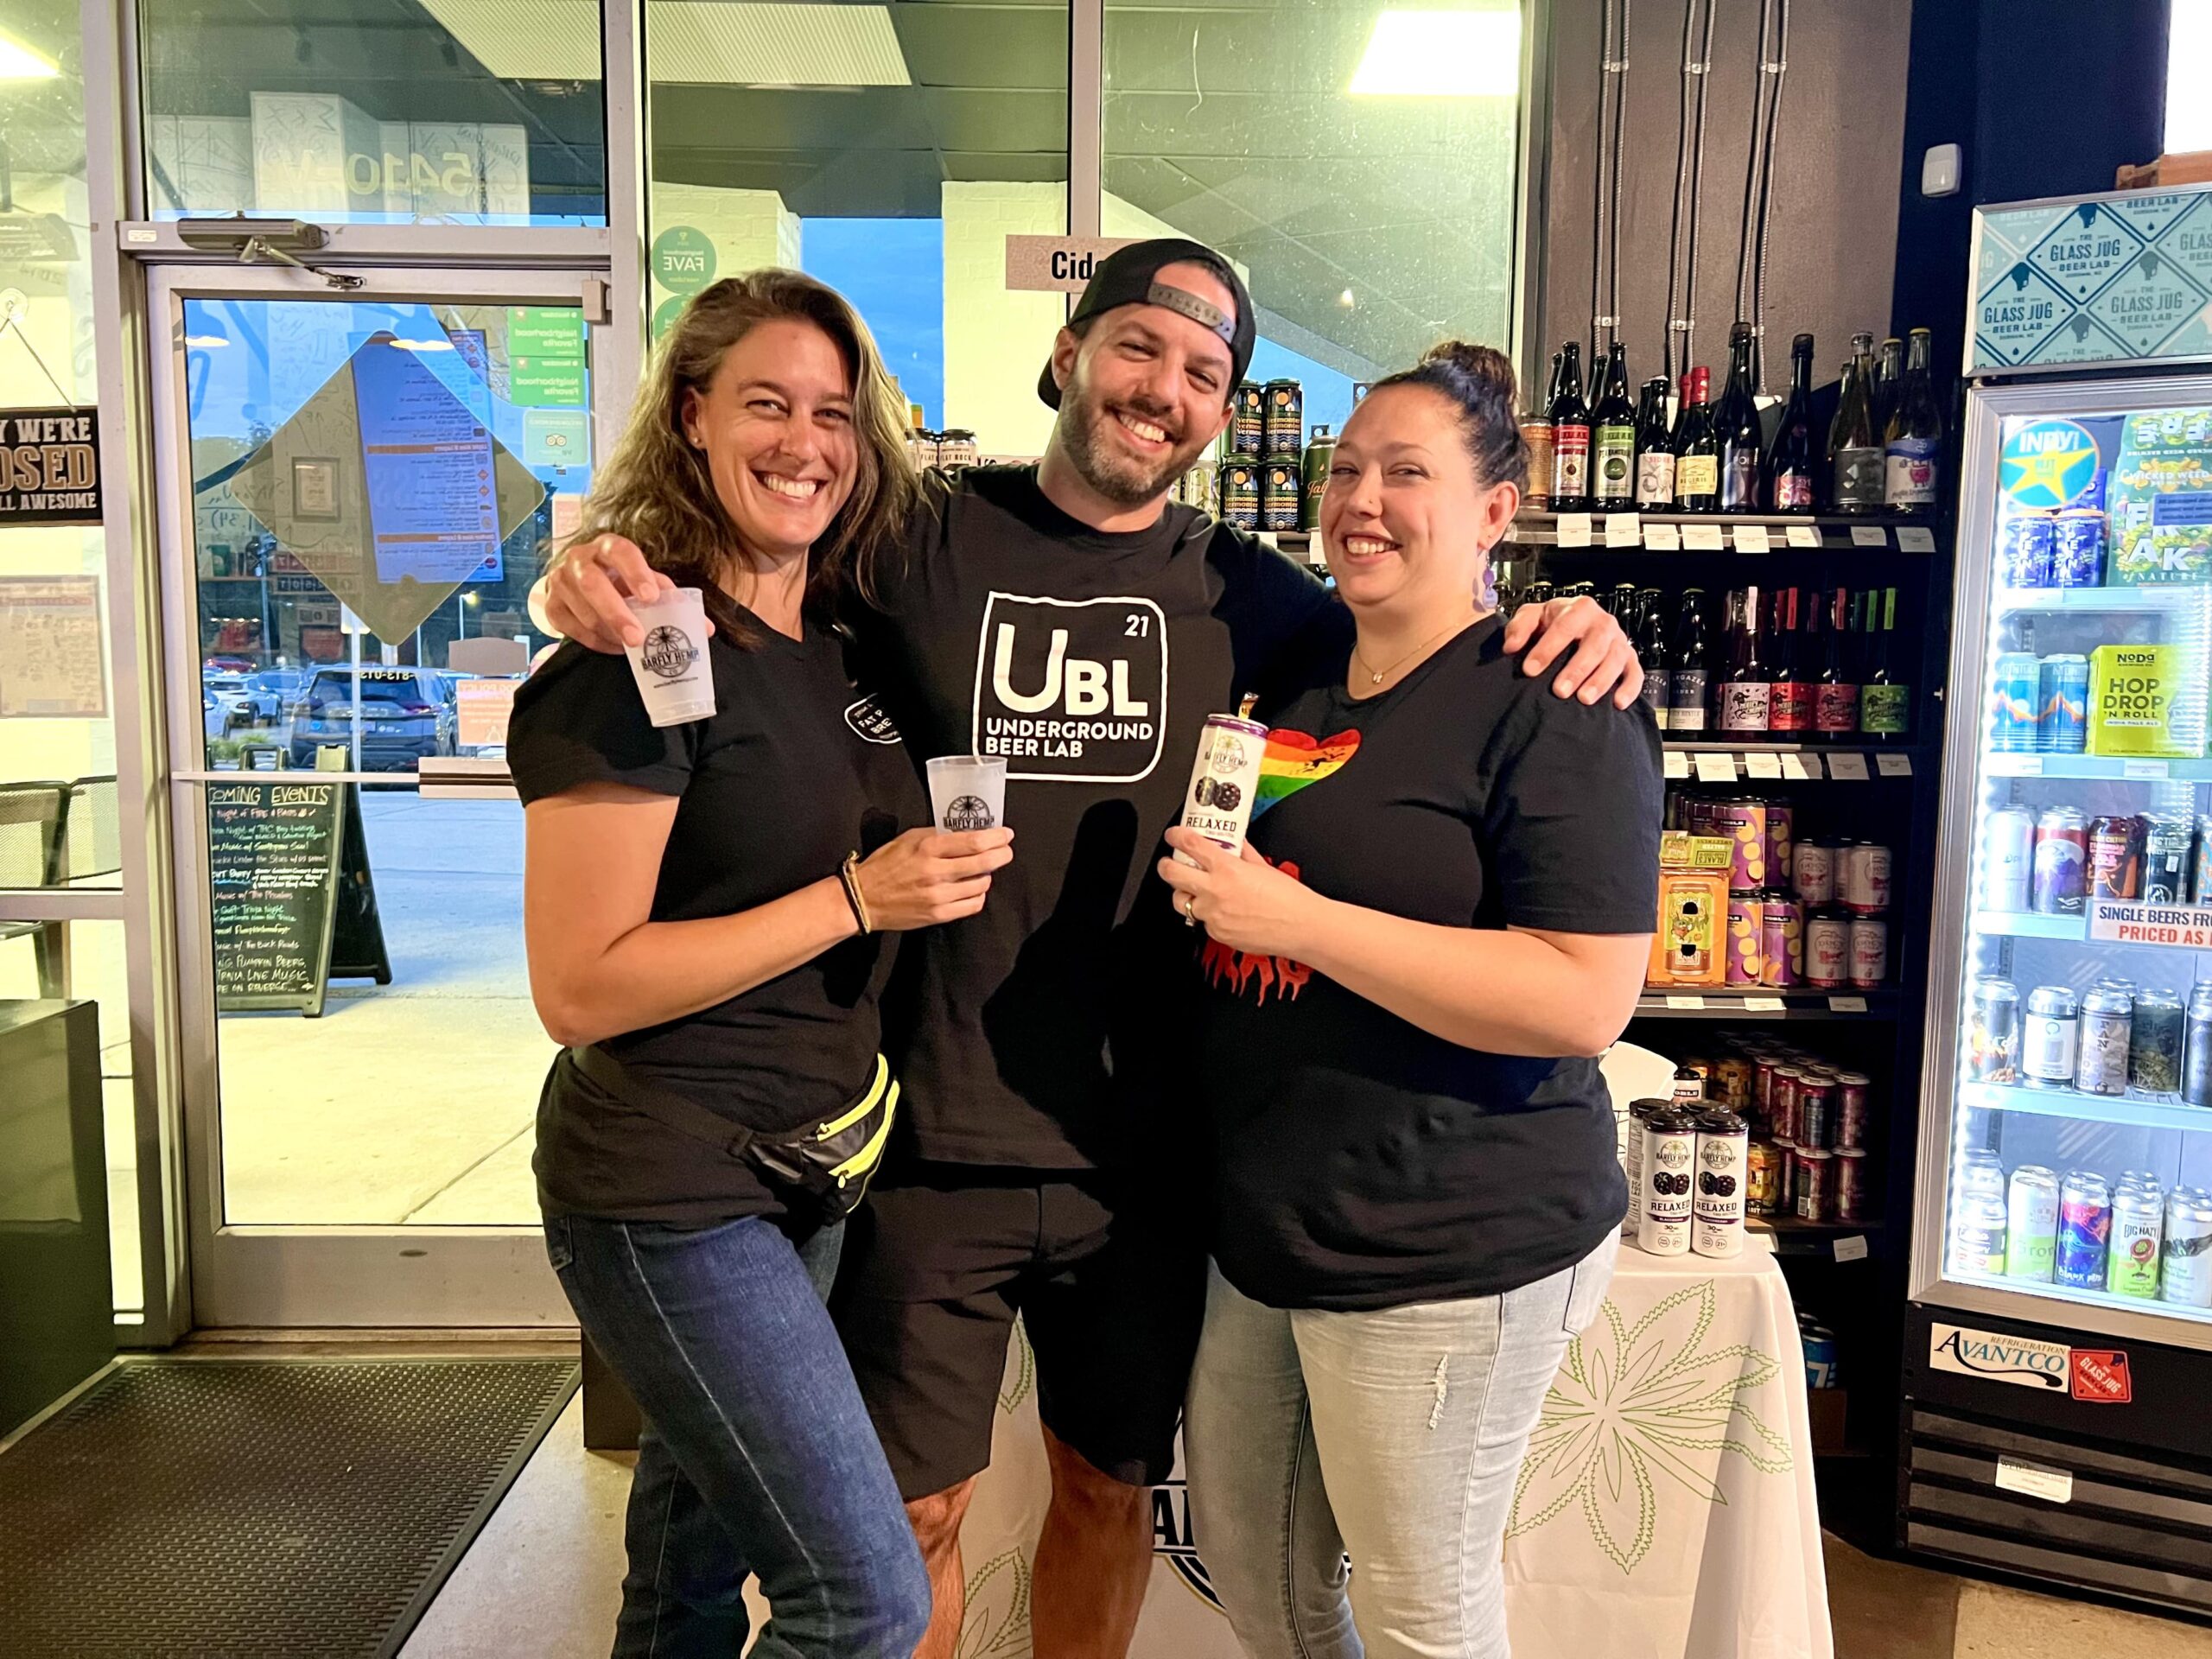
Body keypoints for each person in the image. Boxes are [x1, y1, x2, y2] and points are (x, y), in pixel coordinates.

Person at [537, 242, 1644, 1659]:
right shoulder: (916, 539)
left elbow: (1425, 637)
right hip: (928, 1145)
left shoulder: (1270, 607)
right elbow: (745, 546)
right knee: (916, 1517)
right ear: (1067, 357)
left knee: (1104, 1491)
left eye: (1204, 373)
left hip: (1153, 1158)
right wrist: (584, 570)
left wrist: (1565, 614)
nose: (1161, 389)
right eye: (1137, 347)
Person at [508, 270, 1014, 1659]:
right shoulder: (630, 653)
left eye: (835, 415)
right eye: (767, 406)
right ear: (691, 419)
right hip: (671, 1191)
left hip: (812, 1175)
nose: (806, 442)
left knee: (680, 1575)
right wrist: (858, 898)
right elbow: (584, 984)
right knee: (863, 1604)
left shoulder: (834, 636)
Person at [1157, 342, 1662, 1659]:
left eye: (1407, 473)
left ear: (1499, 509)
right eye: (1345, 469)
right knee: (1261, 1582)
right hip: (1267, 1228)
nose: (1361, 499)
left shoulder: (1558, 697)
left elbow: (1581, 997)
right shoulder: (1304, 674)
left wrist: (1301, 924)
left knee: (1420, 1612)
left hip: (1447, 1239)